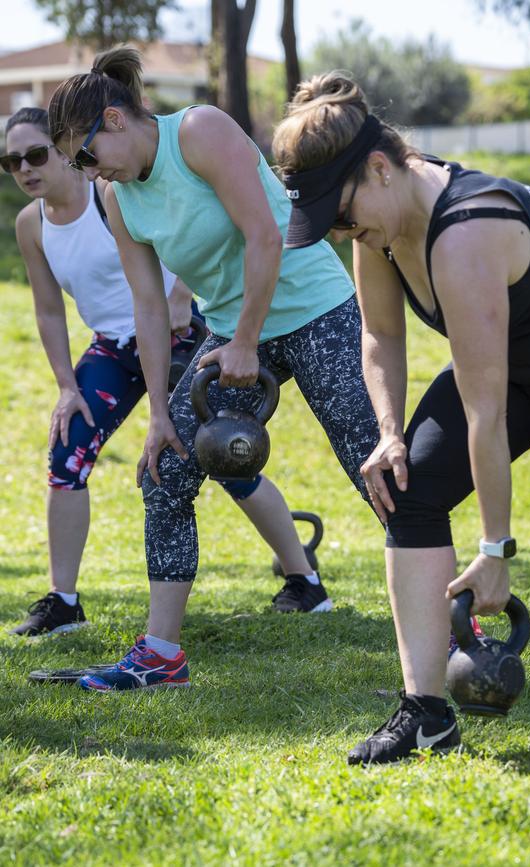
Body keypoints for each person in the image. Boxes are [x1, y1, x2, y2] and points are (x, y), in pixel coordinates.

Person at [272, 72, 530, 765]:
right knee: (406, 489)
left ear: (380, 168)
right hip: (524, 361)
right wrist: (389, 431)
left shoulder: (468, 231)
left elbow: (485, 409)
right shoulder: (377, 225)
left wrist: (497, 550)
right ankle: (426, 713)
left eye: (339, 211)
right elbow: (380, 336)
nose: (337, 228)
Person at [45, 47, 386, 690]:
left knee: (373, 462)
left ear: (115, 121)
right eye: (77, 165)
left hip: (313, 309)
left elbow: (265, 233)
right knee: (164, 472)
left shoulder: (199, 131)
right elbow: (149, 307)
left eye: (85, 155)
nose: (88, 173)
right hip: (231, 335)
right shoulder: (118, 199)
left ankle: (460, 621)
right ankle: (161, 654)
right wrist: (155, 414)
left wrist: (248, 341)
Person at [3, 106, 329, 640]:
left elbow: (181, 247)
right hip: (114, 347)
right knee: (67, 451)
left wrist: (182, 297)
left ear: (66, 152)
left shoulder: (108, 195)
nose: (25, 168)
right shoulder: (31, 225)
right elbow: (46, 310)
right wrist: (66, 385)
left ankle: (304, 579)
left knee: (221, 456)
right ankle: (63, 601)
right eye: (10, 161)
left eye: (36, 154)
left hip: (180, 335)